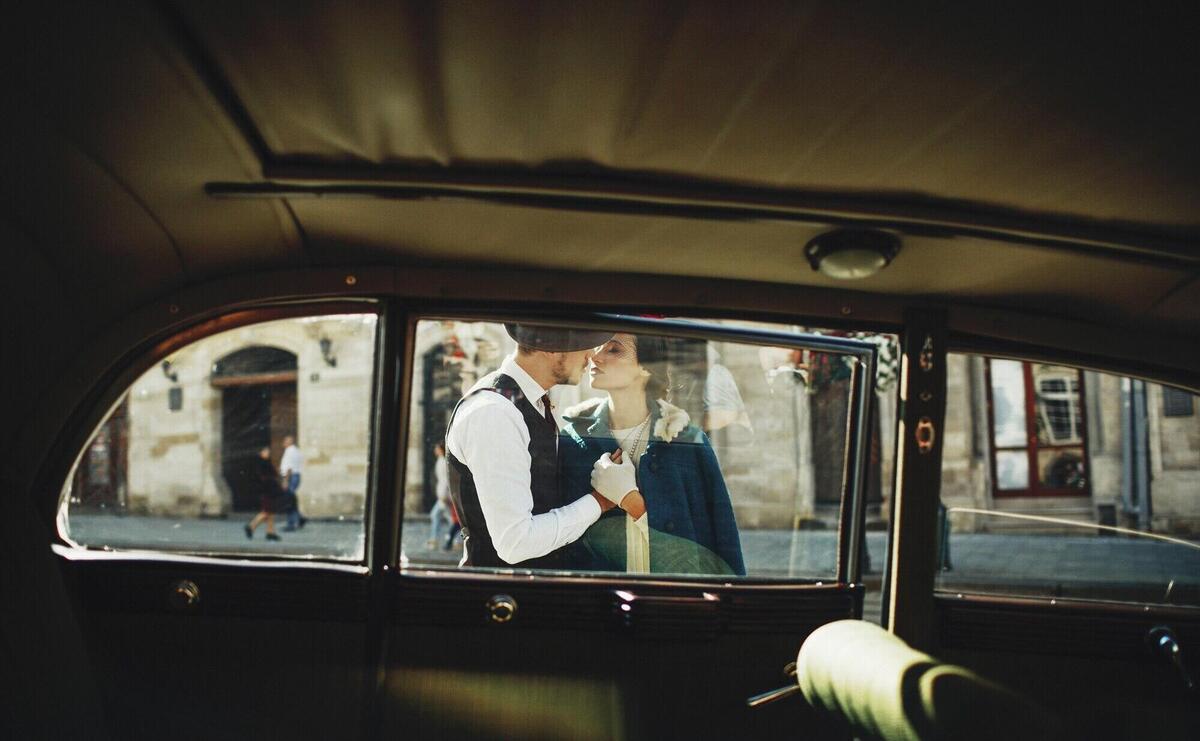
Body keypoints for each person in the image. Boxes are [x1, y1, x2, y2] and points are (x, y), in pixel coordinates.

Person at [444, 323, 627, 568]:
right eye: (584, 344)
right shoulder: (495, 413)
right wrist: (600, 501)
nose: (591, 355)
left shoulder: (530, 401)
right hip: (502, 595)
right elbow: (515, 543)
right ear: (549, 347)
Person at [561, 333, 746, 575]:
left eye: (614, 350)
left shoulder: (687, 440)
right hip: (601, 599)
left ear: (646, 367)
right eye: (598, 346)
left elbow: (723, 534)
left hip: (674, 596)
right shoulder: (574, 438)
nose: (595, 356)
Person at [244, 447, 283, 541]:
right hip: (266, 491)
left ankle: (270, 532)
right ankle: (251, 526)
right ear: (261, 452)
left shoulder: (266, 463)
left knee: (270, 512)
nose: (267, 453)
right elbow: (264, 478)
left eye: (268, 451)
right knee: (266, 512)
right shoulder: (261, 464)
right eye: (265, 451)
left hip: (269, 491)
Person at [426, 442, 455, 550]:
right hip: (442, 494)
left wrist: (444, 495)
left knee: (448, 518)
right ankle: (436, 538)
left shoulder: (443, 462)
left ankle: (456, 539)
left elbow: (445, 480)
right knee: (442, 517)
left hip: (444, 495)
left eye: (437, 448)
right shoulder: (441, 461)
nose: (435, 450)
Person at [279, 435, 307, 531]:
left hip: (290, 477)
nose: (283, 443)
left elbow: (289, 467)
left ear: (290, 442)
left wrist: (285, 480)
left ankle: (291, 524)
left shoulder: (289, 452)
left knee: (289, 501)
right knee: (291, 500)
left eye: (285, 441)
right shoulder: (296, 451)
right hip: (296, 476)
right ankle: (300, 518)